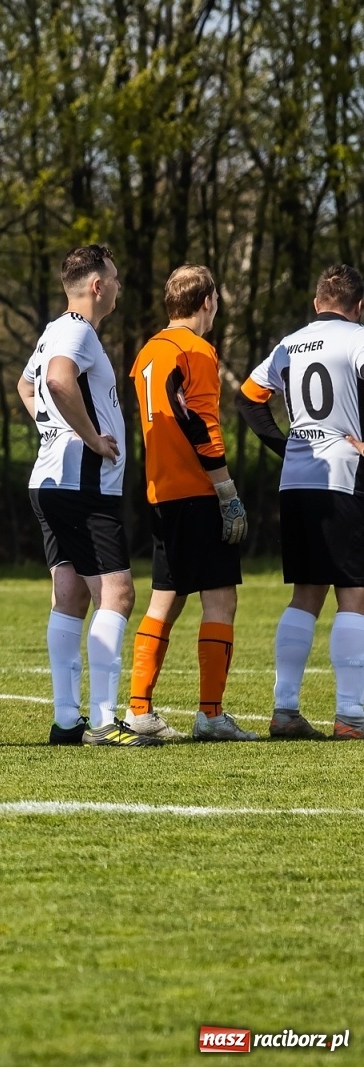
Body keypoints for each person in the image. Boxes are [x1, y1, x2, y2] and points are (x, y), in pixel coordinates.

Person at [17, 246, 154, 747]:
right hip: (83, 485)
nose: (118, 286)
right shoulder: (77, 330)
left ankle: (66, 721)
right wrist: (91, 438)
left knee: (71, 595)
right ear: (97, 286)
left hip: (52, 481)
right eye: (114, 278)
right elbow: (56, 380)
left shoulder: (54, 329)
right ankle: (102, 721)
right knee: (117, 594)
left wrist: (54, 431)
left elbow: (26, 386)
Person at [125, 266, 255, 743]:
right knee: (220, 596)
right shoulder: (196, 349)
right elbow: (202, 424)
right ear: (206, 303)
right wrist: (227, 491)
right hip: (198, 490)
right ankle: (211, 715)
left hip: (162, 491)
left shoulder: (147, 353)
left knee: (167, 596)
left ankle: (139, 709)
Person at [238, 263, 364, 741]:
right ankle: (351, 714)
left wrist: (288, 445)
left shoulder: (289, 344)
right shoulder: (358, 340)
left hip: (296, 481)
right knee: (354, 592)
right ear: (359, 306)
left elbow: (248, 400)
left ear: (316, 303)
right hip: (344, 477)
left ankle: (285, 708)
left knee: (306, 594)